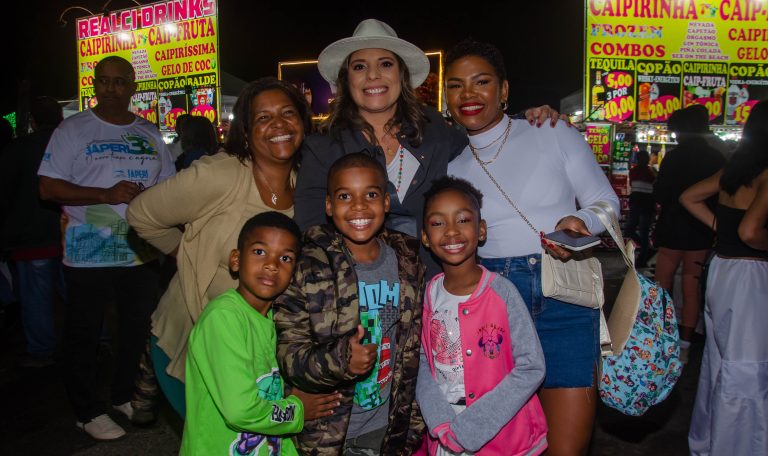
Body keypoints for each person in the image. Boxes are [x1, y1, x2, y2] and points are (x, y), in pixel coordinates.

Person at [443, 39, 619, 456]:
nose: (468, 94)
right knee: (501, 445)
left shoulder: (551, 131)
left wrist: (581, 223)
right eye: (456, 85)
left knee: (567, 447)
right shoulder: (451, 164)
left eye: (481, 81)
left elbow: (606, 202)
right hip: (491, 304)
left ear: (504, 90)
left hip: (563, 297)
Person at [293, 18, 564, 277]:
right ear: (346, 78)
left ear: (401, 74)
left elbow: (483, 147)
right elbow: (312, 233)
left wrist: (523, 122)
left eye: (385, 64)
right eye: (360, 66)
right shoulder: (322, 148)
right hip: (355, 291)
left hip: (434, 290)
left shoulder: (434, 130)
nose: (373, 75)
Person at [126, 77, 311, 418]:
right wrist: (186, 254)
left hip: (258, 349)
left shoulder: (308, 184)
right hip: (195, 336)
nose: (279, 124)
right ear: (246, 131)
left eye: (288, 113)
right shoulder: (221, 175)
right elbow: (141, 214)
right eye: (263, 117)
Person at [37, 56, 175, 440]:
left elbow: (169, 187)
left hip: (140, 251)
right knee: (84, 332)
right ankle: (86, 411)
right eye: (104, 81)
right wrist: (105, 194)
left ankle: (123, 395)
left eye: (120, 81)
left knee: (136, 328)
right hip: (88, 251)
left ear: (133, 86)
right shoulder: (73, 129)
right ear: (94, 85)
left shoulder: (149, 132)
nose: (111, 89)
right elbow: (47, 187)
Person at [274, 153, 425, 455]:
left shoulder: (407, 263)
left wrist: (412, 425)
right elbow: (289, 356)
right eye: (345, 196)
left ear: (386, 202)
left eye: (370, 195)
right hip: (327, 432)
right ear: (329, 206)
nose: (359, 206)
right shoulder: (308, 267)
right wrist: (342, 360)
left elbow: (414, 348)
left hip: (385, 429)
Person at [181, 212, 341, 455]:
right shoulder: (223, 318)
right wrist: (298, 409)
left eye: (285, 258)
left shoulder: (277, 319)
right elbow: (240, 411)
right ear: (236, 260)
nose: (272, 264)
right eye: (259, 251)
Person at [416, 176, 547, 455]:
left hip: (503, 438)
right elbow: (422, 364)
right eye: (438, 223)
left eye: (463, 219)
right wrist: (439, 422)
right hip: (444, 436)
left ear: (481, 230)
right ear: (425, 237)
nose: (451, 231)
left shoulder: (502, 293)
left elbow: (531, 367)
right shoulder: (427, 295)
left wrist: (471, 428)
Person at [680, 100, 768, 456]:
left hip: (722, 269)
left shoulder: (737, 168)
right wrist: (735, 233)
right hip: (750, 275)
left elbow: (690, 197)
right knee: (747, 368)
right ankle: (739, 446)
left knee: (720, 362)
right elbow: (751, 231)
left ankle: (711, 440)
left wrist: (721, 229)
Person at [653, 105, 726, 362]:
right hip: (701, 229)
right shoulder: (717, 158)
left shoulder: (674, 158)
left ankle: (659, 338)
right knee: (692, 287)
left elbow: (660, 194)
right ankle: (685, 344)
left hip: (672, 227)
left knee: (662, 284)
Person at [1, 96, 65, 368]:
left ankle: (42, 351)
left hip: (32, 237)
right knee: (78, 294)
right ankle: (98, 341)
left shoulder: (19, 149)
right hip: (72, 235)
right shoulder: (71, 144)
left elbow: (4, 193)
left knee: (37, 298)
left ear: (33, 121)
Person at [624, 150, 657, 267]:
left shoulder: (636, 171)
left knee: (639, 231)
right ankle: (646, 250)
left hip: (642, 204)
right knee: (637, 231)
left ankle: (643, 257)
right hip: (644, 204)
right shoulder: (650, 172)